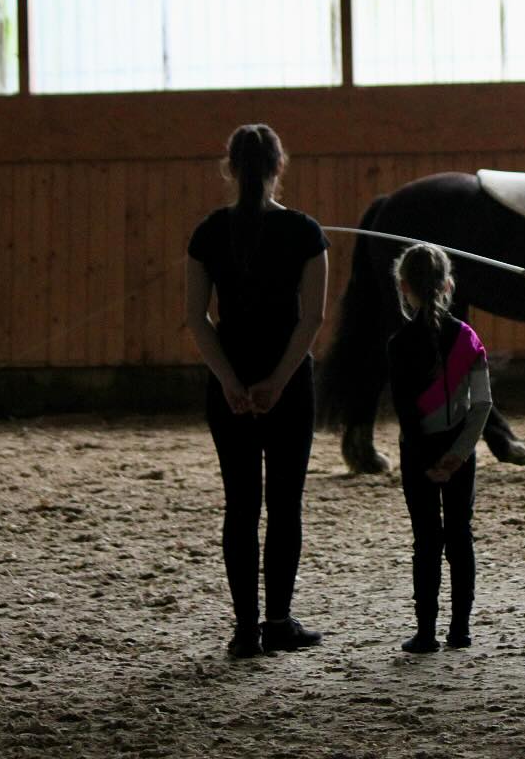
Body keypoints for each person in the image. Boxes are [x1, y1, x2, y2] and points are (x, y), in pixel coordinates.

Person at [185, 123, 329, 659]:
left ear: (230, 167)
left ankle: (246, 630)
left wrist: (229, 380)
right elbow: (312, 318)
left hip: (230, 382)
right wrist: (278, 381)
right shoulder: (305, 233)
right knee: (285, 504)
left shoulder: (207, 233)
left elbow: (197, 318)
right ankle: (278, 621)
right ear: (278, 167)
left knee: (240, 505)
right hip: (288, 385)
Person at [387, 244, 493, 653]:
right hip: (459, 453)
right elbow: (482, 404)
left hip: (418, 455)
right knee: (460, 536)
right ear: (448, 285)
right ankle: (460, 630)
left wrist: (427, 460)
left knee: (426, 541)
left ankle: (426, 632)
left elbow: (405, 412)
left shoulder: (398, 343)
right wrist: (457, 455)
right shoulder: (468, 339)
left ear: (404, 286)